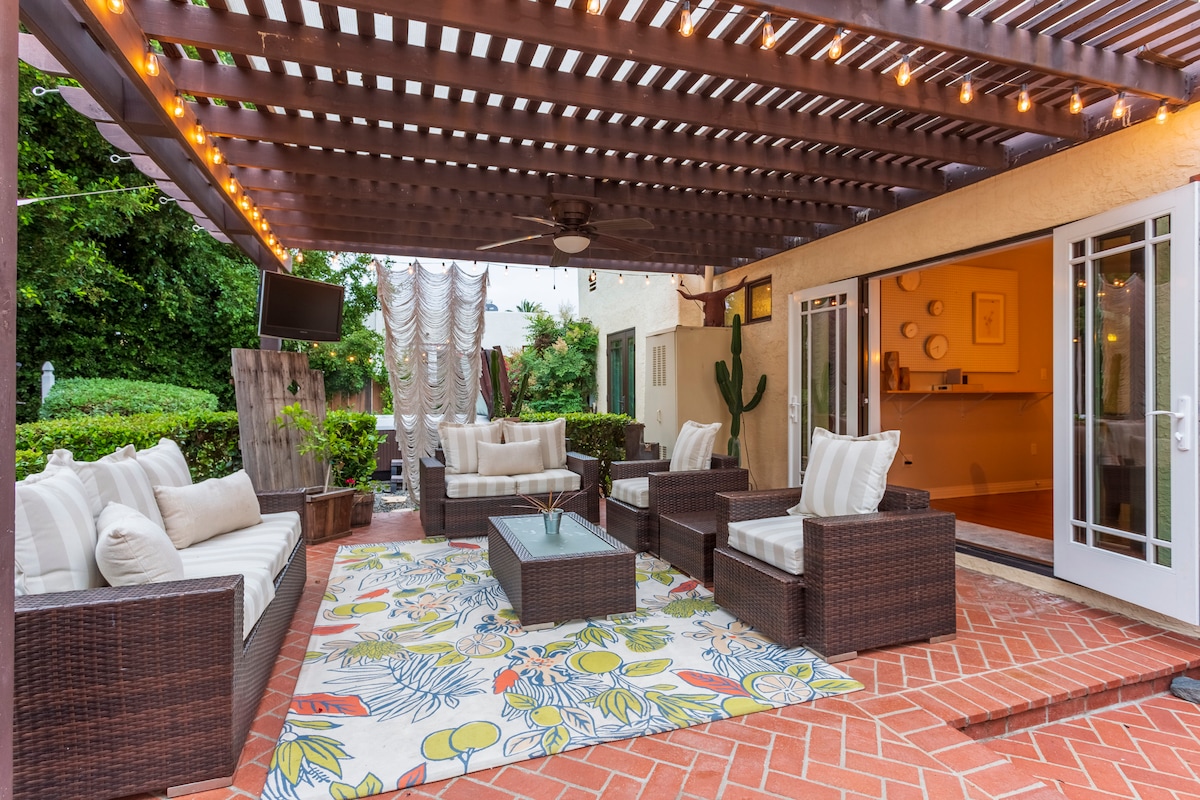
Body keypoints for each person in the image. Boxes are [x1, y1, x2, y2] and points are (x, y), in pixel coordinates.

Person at [677, 277, 748, 327]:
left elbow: (689, 297)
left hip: (718, 324)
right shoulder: (712, 296)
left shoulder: (714, 295)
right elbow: (688, 296)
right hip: (710, 324)